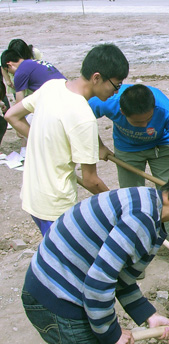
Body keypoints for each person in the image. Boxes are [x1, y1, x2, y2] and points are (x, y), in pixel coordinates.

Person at [21, 151, 169, 344]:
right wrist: (110, 333)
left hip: (57, 285)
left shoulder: (148, 202)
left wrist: (148, 315)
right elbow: (98, 281)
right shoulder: (140, 221)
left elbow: (119, 275)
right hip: (56, 298)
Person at [5, 44, 129, 236]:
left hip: (31, 195)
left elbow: (12, 115)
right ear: (96, 77)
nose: (116, 91)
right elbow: (90, 180)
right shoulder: (84, 117)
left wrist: (45, 140)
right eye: (116, 85)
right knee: (64, 262)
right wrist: (118, 204)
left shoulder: (52, 86)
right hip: (55, 206)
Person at [89, 84, 169, 275]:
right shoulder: (108, 102)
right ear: (122, 112)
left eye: (147, 120)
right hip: (127, 150)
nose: (144, 126)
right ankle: (134, 257)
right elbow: (84, 117)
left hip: (162, 147)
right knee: (131, 204)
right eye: (138, 122)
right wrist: (98, 145)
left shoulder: (163, 108)